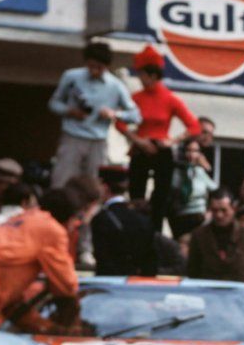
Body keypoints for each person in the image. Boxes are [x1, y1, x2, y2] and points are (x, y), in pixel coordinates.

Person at [0, 185, 86, 332]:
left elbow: (11, 303)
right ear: (70, 217)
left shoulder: (24, 219)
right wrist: (72, 317)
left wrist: (45, 326)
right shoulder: (51, 230)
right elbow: (67, 285)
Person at [120, 45, 200, 230]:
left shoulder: (169, 98)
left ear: (153, 75)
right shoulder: (136, 98)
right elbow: (119, 122)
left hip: (162, 149)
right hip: (141, 147)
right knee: (136, 192)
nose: (139, 79)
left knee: (161, 195)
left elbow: (194, 126)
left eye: (142, 74)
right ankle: (135, 228)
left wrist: (172, 141)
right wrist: (137, 140)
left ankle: (154, 231)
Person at [48, 43, 140, 189]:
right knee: (62, 179)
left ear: (107, 66)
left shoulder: (116, 85)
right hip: (73, 136)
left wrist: (114, 114)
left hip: (98, 140)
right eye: (91, 66)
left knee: (94, 184)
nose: (94, 71)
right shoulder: (71, 76)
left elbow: (135, 115)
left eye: (99, 67)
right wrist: (70, 111)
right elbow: (54, 103)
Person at [91, 166, 160, 277]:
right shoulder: (142, 217)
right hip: (137, 281)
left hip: (109, 281)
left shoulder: (101, 218)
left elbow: (102, 259)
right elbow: (150, 259)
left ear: (105, 187)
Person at [185, 190, 244, 284]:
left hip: (241, 288)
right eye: (215, 210)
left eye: (224, 210)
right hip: (210, 288)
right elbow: (193, 269)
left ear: (233, 209)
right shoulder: (199, 235)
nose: (219, 215)